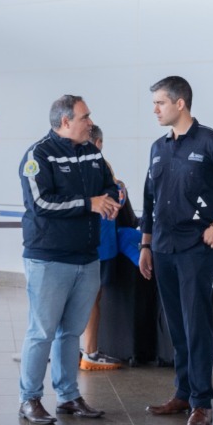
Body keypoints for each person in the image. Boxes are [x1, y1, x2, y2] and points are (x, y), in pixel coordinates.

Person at [138, 76, 213, 425]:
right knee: (175, 326)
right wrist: (145, 244)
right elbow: (148, 197)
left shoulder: (211, 142)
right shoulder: (158, 147)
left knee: (196, 324)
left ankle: (202, 401)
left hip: (195, 248)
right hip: (162, 247)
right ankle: (183, 392)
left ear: (180, 103)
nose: (155, 109)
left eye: (160, 102)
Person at [16, 95, 117, 424]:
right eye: (85, 117)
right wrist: (89, 204)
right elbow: (41, 203)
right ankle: (29, 398)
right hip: (49, 260)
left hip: (87, 259)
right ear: (65, 122)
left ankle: (68, 396)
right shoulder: (37, 156)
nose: (90, 122)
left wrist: (111, 201)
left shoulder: (91, 152)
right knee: (41, 332)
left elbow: (109, 186)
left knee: (70, 332)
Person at [81, 123, 131, 371]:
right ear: (99, 143)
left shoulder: (80, 164)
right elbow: (115, 200)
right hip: (99, 243)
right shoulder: (99, 165)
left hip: (91, 241)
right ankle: (90, 352)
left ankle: (82, 349)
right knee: (92, 298)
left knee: (86, 298)